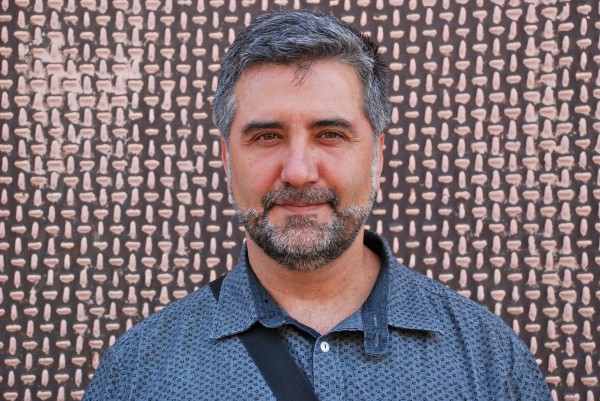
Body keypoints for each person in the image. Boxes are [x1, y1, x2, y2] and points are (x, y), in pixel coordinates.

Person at [83, 10, 552, 400]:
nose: (299, 171)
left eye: (330, 134)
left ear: (377, 155)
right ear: (227, 158)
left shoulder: (489, 360)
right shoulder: (139, 371)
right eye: (267, 137)